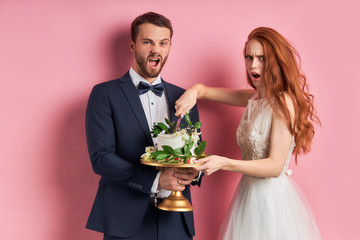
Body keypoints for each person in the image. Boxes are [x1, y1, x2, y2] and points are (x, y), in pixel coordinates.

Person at [175, 27, 321, 239]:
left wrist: (224, 163)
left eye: (262, 58)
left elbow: (274, 166)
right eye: (249, 57)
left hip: (271, 202)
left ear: (276, 62)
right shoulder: (252, 99)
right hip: (247, 195)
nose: (253, 65)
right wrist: (194, 92)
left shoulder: (283, 103)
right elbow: (205, 90)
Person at [85, 12, 201, 240]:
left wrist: (194, 173)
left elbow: (193, 151)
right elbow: (101, 157)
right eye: (147, 42)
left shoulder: (184, 96)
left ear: (169, 47)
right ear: (132, 45)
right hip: (125, 220)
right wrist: (157, 181)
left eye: (163, 43)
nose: (155, 50)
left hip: (177, 221)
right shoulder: (104, 94)